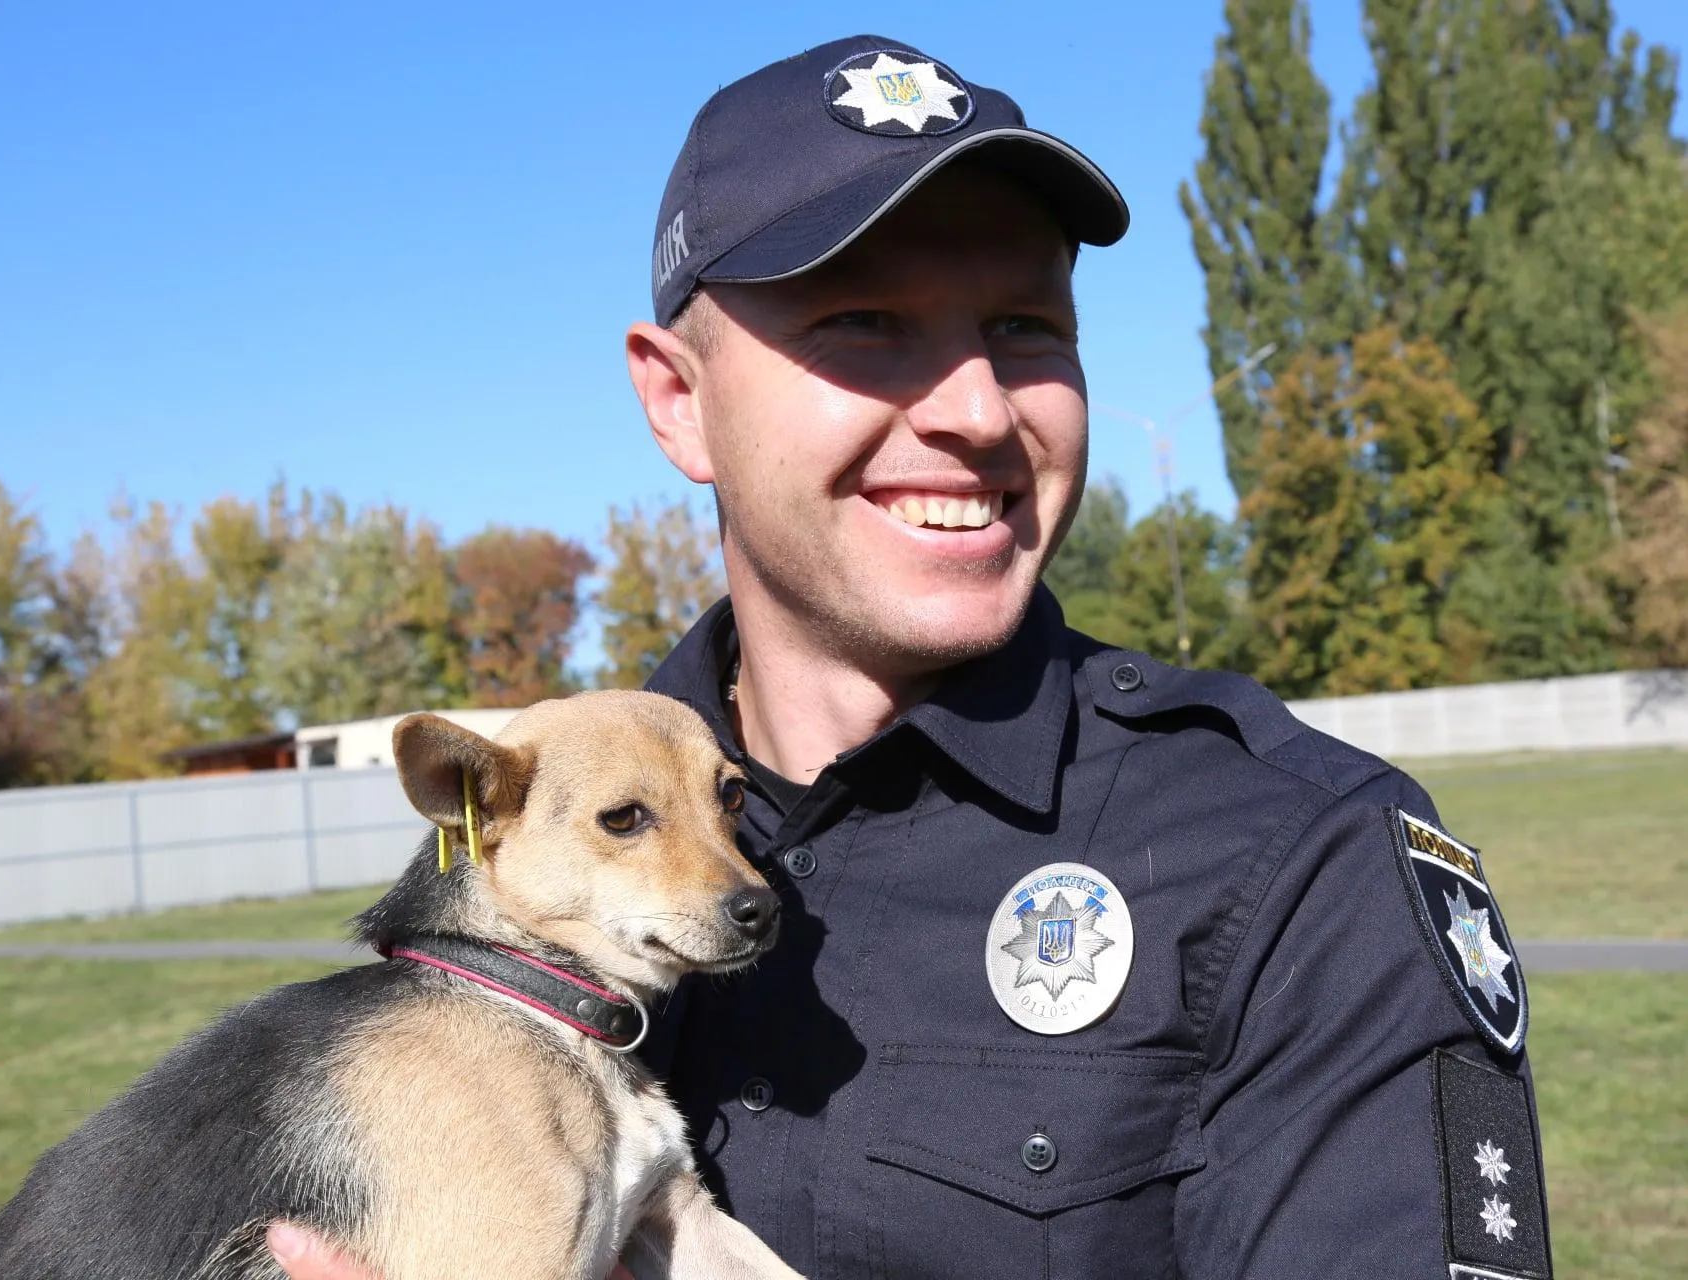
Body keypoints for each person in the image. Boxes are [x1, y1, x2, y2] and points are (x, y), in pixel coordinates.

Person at [273, 34, 1552, 1280]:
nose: (981, 410)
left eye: (1025, 325)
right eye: (866, 321)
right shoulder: (546, 836)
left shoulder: (1299, 859)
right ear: (678, 399)